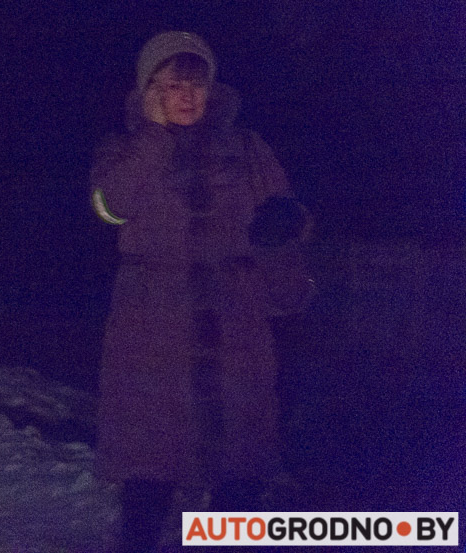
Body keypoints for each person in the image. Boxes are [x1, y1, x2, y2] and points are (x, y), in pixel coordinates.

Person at [90, 31, 311, 551]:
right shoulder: (123, 148)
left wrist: (285, 274)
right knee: (150, 468)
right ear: (149, 91)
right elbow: (111, 204)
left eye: (196, 84)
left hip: (236, 325)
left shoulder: (248, 148)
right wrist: (154, 136)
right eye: (172, 85)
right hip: (152, 327)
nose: (186, 95)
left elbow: (282, 222)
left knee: (240, 469)